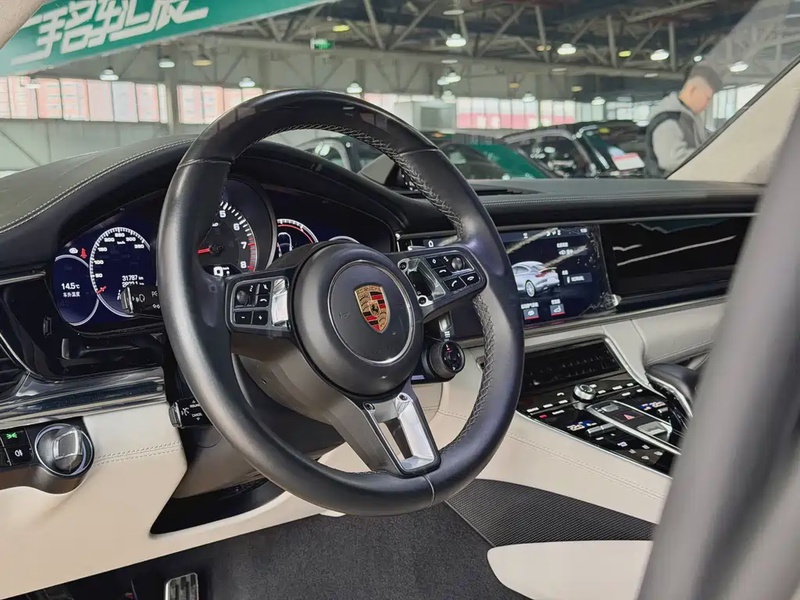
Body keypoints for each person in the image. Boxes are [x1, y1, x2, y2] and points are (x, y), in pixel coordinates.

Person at [645, 64, 723, 176]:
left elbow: (703, 139)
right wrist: (713, 158)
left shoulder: (688, 117)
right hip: (672, 186)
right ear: (692, 90)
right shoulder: (668, 121)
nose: (708, 104)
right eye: (707, 98)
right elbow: (670, 160)